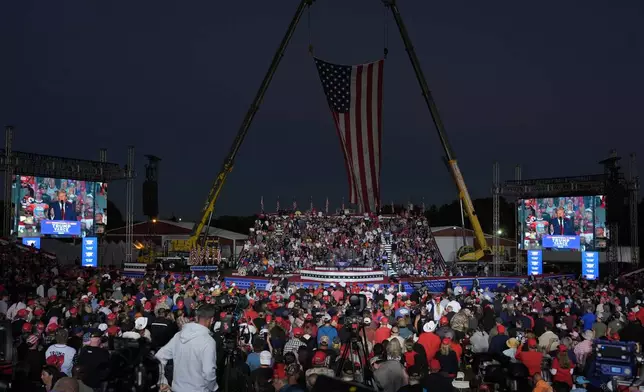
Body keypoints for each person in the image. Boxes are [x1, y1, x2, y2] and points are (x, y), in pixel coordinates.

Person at [155, 304, 218, 392]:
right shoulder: (209, 342)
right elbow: (208, 372)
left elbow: (159, 356)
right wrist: (213, 388)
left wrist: (162, 381)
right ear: (211, 320)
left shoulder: (179, 335)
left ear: (196, 317)